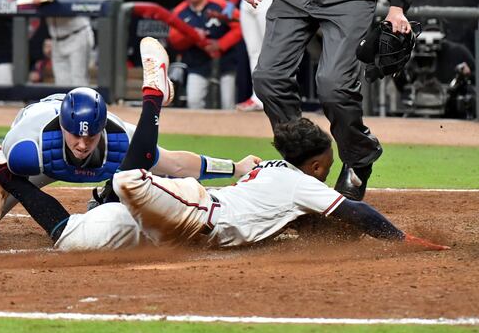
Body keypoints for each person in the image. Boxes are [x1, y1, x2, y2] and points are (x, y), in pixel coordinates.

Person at [0, 37, 260, 254]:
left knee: (153, 182)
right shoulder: (30, 148)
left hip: (76, 147)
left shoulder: (119, 139)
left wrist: (236, 167)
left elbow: (177, 164)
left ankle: (103, 197)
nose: (83, 144)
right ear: (63, 127)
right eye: (76, 135)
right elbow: (1, 187)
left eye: (91, 136)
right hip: (34, 135)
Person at [112, 116, 449, 252]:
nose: (325, 172)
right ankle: (152, 99)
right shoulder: (299, 183)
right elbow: (356, 211)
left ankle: (107, 203)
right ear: (315, 166)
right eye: (327, 166)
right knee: (128, 180)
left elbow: (319, 232)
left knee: (114, 223)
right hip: (197, 210)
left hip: (195, 216)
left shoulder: (274, 170)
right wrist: (404, 239)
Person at [240, 0, 413, 201]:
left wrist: (397, 8)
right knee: (268, 78)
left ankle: (359, 154)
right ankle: (306, 157)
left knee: (333, 86)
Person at [10, 0, 93, 86]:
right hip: (56, 40)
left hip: (77, 36)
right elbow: (34, 1)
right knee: (61, 84)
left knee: (79, 83)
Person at [227, 0, 291, 111]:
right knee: (254, 51)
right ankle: (258, 97)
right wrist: (231, 3)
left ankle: (279, 96)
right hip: (245, 1)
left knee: (273, 51)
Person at [168, 0, 242, 110]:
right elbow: (174, 40)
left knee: (228, 105)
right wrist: (192, 36)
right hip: (197, 64)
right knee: (194, 102)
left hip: (224, 63)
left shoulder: (220, 4)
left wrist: (221, 44)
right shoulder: (179, 12)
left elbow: (241, 25)